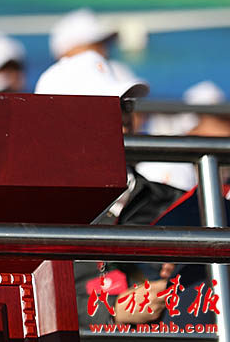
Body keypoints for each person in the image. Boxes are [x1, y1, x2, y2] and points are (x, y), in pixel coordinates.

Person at [35, 50, 183, 327]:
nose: (121, 117)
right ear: (54, 123)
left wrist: (186, 273)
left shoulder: (181, 203)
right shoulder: (29, 211)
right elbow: (23, 304)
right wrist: (111, 311)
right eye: (101, 106)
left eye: (124, 105)